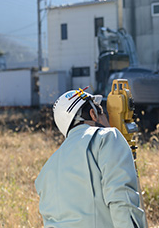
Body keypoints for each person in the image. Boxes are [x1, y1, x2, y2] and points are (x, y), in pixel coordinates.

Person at [35, 89, 146, 228]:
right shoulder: (106, 138)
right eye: (103, 113)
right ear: (93, 114)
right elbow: (123, 202)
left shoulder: (46, 170)